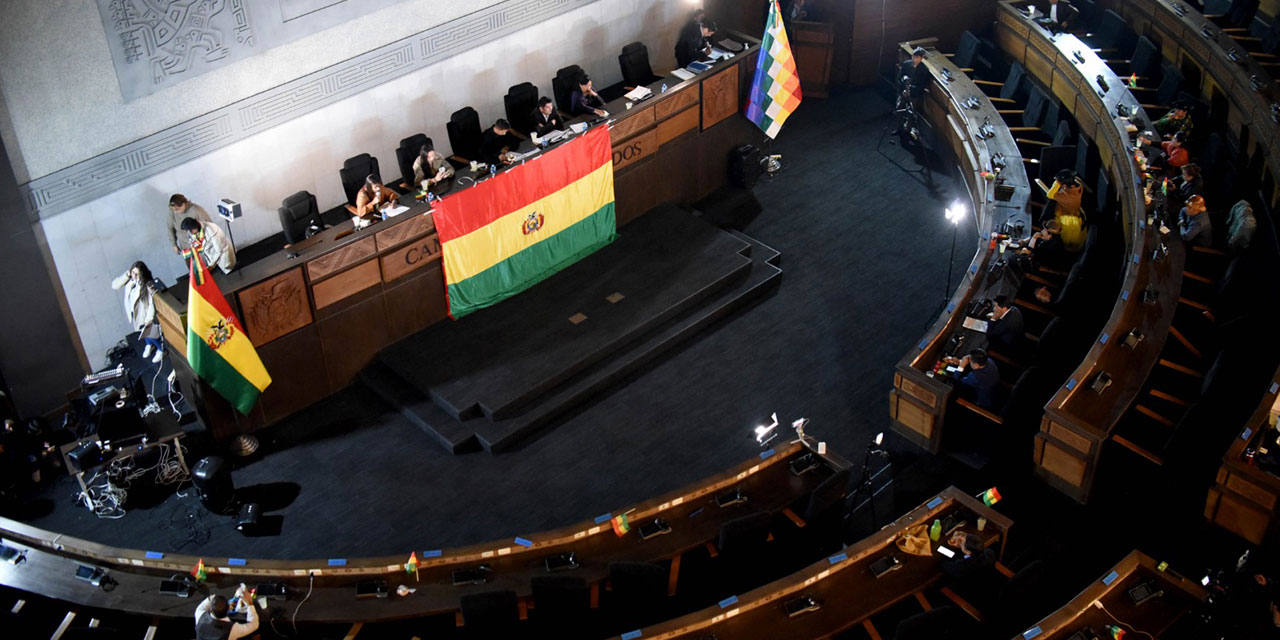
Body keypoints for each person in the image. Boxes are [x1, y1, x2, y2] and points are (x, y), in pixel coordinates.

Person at [111, 261, 164, 364]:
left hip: (144, 313)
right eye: (133, 273)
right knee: (142, 332)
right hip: (134, 312)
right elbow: (115, 286)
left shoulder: (147, 284)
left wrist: (149, 319)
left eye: (137, 274)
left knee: (149, 332)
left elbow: (151, 304)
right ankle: (149, 345)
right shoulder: (131, 281)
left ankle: (161, 349)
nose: (134, 276)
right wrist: (127, 275)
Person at [194, 584, 259, 640]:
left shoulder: (200, 615)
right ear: (228, 609)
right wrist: (250, 603)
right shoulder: (232, 630)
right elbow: (254, 625)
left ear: (211, 609)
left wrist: (215, 598)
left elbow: (206, 603)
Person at [1043, 169, 1086, 252]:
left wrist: (1057, 183)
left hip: (1066, 218)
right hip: (1076, 214)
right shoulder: (1078, 186)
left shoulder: (1064, 196)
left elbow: (1049, 194)